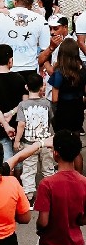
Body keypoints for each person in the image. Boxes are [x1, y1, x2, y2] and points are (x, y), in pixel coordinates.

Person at [0, 0, 50, 75]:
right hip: (29, 69)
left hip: (4, 69)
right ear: (31, 5)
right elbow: (45, 47)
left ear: (15, 2)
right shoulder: (40, 20)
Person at [14, 72, 55, 205]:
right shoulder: (47, 103)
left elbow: (21, 124)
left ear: (26, 87)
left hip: (29, 144)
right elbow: (50, 120)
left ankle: (29, 197)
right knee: (48, 169)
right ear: (42, 87)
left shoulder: (22, 105)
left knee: (29, 171)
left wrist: (17, 140)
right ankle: (51, 195)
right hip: (45, 141)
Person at [48, 37, 86, 171]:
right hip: (77, 109)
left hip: (63, 111)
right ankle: (79, 176)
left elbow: (54, 99)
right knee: (76, 147)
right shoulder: (83, 70)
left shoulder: (59, 73)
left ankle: (64, 172)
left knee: (62, 145)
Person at [0, 44, 27, 161]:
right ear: (10, 60)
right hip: (19, 126)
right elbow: (24, 102)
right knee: (20, 162)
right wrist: (12, 113)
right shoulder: (20, 79)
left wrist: (5, 124)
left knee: (6, 162)